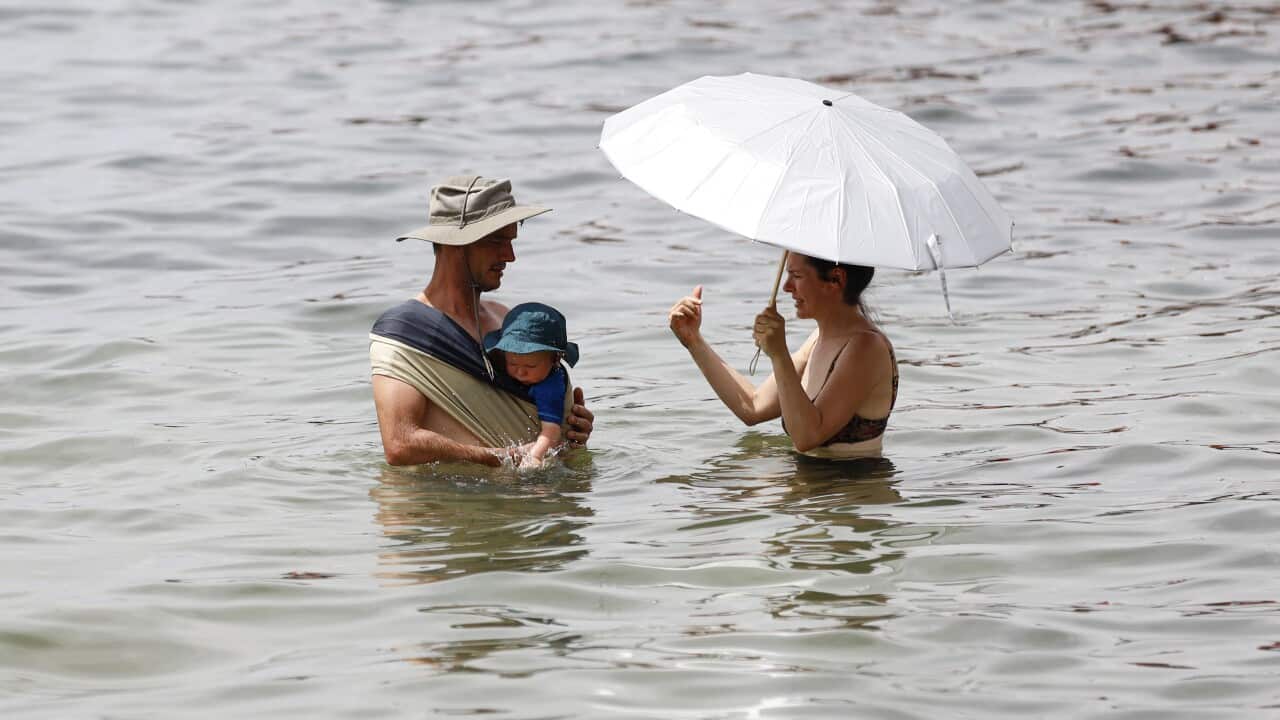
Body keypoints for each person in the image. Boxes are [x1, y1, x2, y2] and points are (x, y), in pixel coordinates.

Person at [370, 175, 594, 467]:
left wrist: (571, 430)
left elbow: (532, 415)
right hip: (446, 508)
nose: (510, 256)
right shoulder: (406, 331)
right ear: (456, 244)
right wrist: (502, 458)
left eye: (511, 241)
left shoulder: (505, 319)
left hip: (535, 506)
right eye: (497, 241)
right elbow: (400, 444)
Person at [668, 252, 897, 459]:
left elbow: (807, 436)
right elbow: (752, 407)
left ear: (836, 279)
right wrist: (694, 341)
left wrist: (779, 354)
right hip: (814, 491)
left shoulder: (866, 348)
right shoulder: (818, 338)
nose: (787, 287)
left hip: (847, 495)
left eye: (796, 275)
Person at [482, 302, 579, 469]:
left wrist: (535, 456)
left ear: (555, 360)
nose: (520, 372)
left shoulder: (549, 388)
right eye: (512, 363)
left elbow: (552, 432)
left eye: (530, 367)